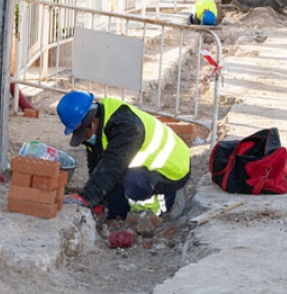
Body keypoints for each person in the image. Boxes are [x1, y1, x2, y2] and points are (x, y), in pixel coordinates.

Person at [56, 90, 190, 220]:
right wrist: (99, 202)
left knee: (133, 183)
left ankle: (167, 200)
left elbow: (113, 165)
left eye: (83, 134)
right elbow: (98, 166)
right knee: (114, 211)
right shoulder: (101, 122)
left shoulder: (127, 127)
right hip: (142, 166)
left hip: (172, 168)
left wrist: (87, 198)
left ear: (92, 121)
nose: (84, 140)